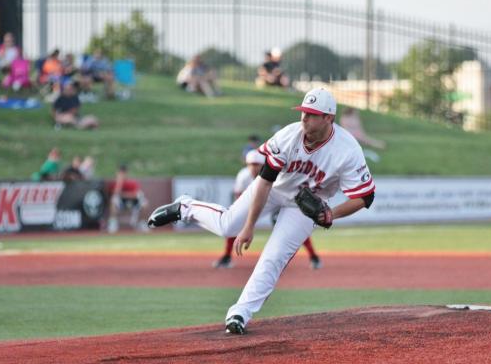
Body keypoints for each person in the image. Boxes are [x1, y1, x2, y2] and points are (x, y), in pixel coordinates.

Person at [148, 88, 375, 335]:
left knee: (273, 257)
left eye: (311, 114)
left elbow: (366, 196)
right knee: (228, 226)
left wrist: (331, 213)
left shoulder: (347, 150)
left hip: (304, 207)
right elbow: (265, 181)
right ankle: (185, 207)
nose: (304, 118)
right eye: (303, 112)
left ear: (328, 118)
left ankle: (239, 314)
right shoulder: (289, 136)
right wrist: (249, 227)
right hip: (274, 189)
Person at [213, 149, 322, 270]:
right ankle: (227, 257)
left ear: (263, 165)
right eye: (251, 164)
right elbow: (239, 196)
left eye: (257, 165)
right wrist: (247, 219)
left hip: (277, 202)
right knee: (235, 223)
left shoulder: (274, 172)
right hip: (255, 204)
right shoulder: (243, 176)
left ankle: (313, 256)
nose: (253, 168)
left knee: (294, 227)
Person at [107, 164, 149, 233]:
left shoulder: (132, 182)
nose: (122, 174)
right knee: (113, 200)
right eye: (120, 173)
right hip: (121, 203)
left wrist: (123, 194)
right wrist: (120, 182)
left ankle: (142, 223)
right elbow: (115, 194)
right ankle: (113, 224)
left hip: (132, 202)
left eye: (124, 172)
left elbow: (135, 195)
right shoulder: (115, 183)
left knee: (145, 203)